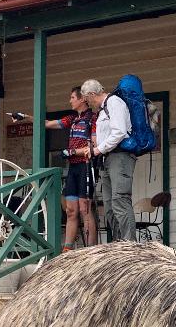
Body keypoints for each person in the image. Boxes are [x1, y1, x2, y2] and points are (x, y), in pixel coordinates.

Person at [25, 86, 97, 250]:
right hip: (73, 167)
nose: (70, 100)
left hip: (86, 166)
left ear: (82, 99)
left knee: (85, 210)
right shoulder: (72, 119)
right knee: (71, 210)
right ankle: (67, 250)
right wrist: (25, 117)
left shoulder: (92, 118)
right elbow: (48, 124)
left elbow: (95, 144)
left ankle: (91, 251)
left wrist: (73, 151)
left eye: (72, 97)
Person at [81, 78, 136, 243]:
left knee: (120, 200)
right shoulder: (102, 110)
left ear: (92, 94)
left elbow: (119, 132)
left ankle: (129, 245)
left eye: (86, 99)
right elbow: (105, 136)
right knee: (109, 206)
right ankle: (118, 243)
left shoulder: (114, 103)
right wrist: (93, 149)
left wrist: (98, 149)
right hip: (107, 159)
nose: (87, 103)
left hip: (120, 157)